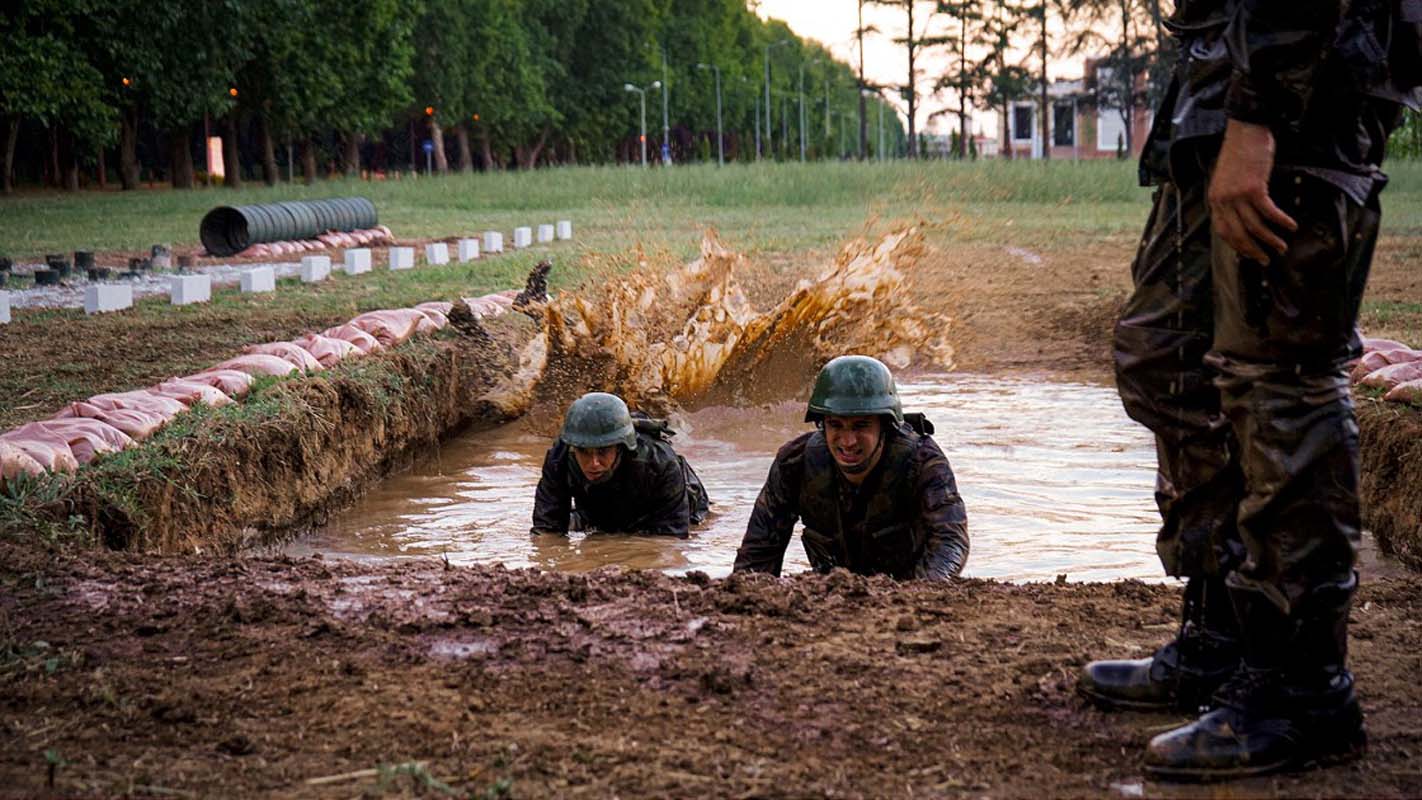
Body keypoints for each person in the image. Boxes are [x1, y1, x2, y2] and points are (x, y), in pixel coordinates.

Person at [1079, 0, 1419, 782]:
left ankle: (1301, 690)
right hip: (1221, 66)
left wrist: (1259, 113)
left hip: (1306, 67)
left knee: (1280, 380)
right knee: (1164, 355)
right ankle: (1222, 640)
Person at [732, 355, 969, 580]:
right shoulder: (795, 463)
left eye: (861, 426)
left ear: (885, 426)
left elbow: (950, 540)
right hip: (831, 595)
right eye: (836, 425)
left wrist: (924, 595)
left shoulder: (922, 462)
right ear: (822, 423)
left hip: (904, 594)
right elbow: (759, 553)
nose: (848, 441)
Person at [531, 392, 709, 538]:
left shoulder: (659, 463)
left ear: (621, 447)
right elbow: (547, 531)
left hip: (665, 510)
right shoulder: (559, 457)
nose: (593, 463)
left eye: (603, 451)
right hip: (600, 510)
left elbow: (670, 541)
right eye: (584, 451)